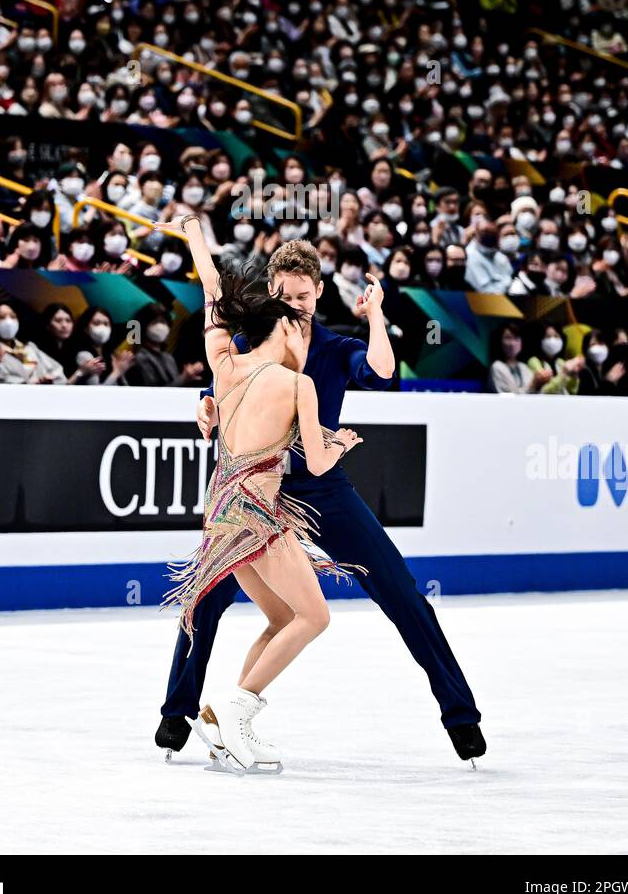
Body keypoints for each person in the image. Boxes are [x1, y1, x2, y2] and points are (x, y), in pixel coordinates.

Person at [156, 237, 485, 766]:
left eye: (304, 296)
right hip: (258, 490)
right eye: (285, 295)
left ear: (319, 292)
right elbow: (223, 380)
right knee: (208, 596)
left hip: (320, 488)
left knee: (400, 592)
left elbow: (380, 373)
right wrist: (206, 406)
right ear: (271, 292)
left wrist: (376, 315)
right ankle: (180, 711)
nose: (295, 305)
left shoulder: (333, 348)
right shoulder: (249, 342)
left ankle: (460, 716)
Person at [159, 212, 366, 771]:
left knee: (280, 617)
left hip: (222, 515)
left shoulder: (223, 365)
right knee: (315, 617)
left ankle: (226, 723)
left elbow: (211, 292)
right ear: (293, 331)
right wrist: (342, 442)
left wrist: (195, 238)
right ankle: (234, 705)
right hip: (260, 518)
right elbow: (318, 466)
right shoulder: (298, 383)